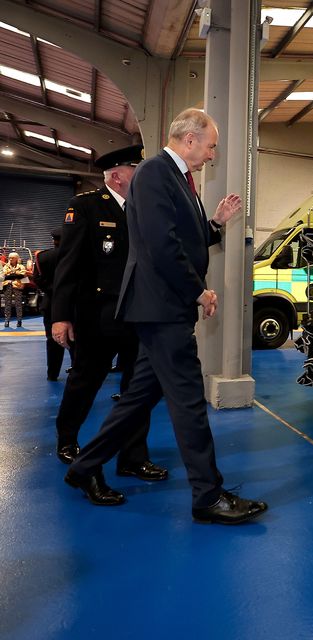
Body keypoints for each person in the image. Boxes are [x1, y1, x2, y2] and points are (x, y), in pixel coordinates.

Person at [65, 109, 267, 525]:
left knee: (140, 397)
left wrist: (215, 223)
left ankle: (83, 468)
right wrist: (199, 290)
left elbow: (185, 238)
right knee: (189, 402)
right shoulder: (157, 172)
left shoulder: (177, 179)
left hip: (162, 305)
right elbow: (162, 246)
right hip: (161, 308)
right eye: (211, 145)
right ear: (189, 139)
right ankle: (207, 496)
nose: (212, 154)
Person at [51, 144, 167, 483]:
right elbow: (67, 265)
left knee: (137, 390)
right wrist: (61, 316)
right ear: (117, 175)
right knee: (84, 383)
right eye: (135, 168)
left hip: (138, 316)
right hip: (96, 317)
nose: (140, 173)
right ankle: (68, 440)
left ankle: (133, 457)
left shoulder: (144, 210)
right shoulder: (86, 206)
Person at [33, 229, 71, 380]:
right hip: (72, 303)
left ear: (53, 240)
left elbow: (37, 279)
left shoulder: (43, 257)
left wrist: (52, 289)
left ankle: (53, 374)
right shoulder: (76, 255)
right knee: (75, 341)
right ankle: (78, 372)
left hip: (51, 304)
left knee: (52, 340)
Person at [2, 251, 27, 328]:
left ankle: (19, 320)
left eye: (12, 258)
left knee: (18, 304)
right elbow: (4, 275)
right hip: (7, 285)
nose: (10, 259)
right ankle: (7, 320)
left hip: (17, 286)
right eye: (9, 258)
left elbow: (23, 276)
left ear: (16, 258)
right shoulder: (6, 266)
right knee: (7, 303)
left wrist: (12, 275)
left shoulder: (21, 266)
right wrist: (15, 274)